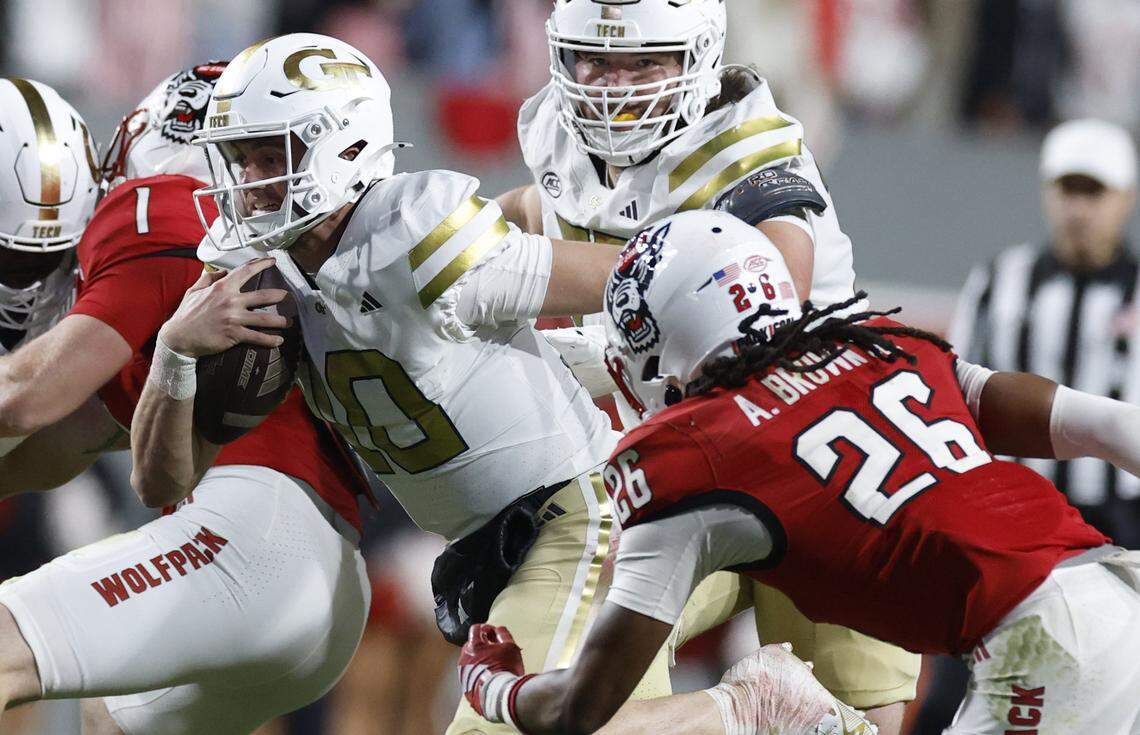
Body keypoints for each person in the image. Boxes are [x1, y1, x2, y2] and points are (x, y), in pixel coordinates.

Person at [162, 32, 857, 735]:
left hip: (572, 518)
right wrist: (173, 355)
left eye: (266, 154)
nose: (244, 179)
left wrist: (752, 251)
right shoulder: (249, 280)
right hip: (488, 548)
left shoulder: (414, 236)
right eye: (238, 155)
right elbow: (162, 482)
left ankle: (752, 707)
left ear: (340, 146)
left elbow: (646, 271)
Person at [459, 211, 1140, 735]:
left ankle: (797, 715)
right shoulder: (881, 344)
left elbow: (582, 705)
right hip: (1112, 586)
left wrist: (495, 688)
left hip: (1045, 646)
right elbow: (1112, 425)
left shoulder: (689, 454)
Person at [499, 1, 916, 729]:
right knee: (574, 645)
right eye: (595, 60)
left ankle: (743, 711)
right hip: (685, 472)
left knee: (860, 715)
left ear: (698, 58)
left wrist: (586, 328)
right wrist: (460, 243)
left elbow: (769, 291)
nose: (613, 87)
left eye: (644, 63)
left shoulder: (749, 153)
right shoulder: (558, 137)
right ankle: (738, 710)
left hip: (816, 464)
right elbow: (540, 211)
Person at [0, 64, 371, 734]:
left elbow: (24, 398)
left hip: (250, 533)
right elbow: (63, 443)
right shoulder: (194, 279)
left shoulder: (149, 208)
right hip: (328, 582)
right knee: (109, 717)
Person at [950, 119, 1140, 545]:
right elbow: (953, 380)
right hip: (1017, 499)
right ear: (1046, 193)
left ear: (1126, 199)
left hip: (1124, 509)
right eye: (1067, 190)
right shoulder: (998, 279)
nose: (1078, 210)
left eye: (1094, 192)